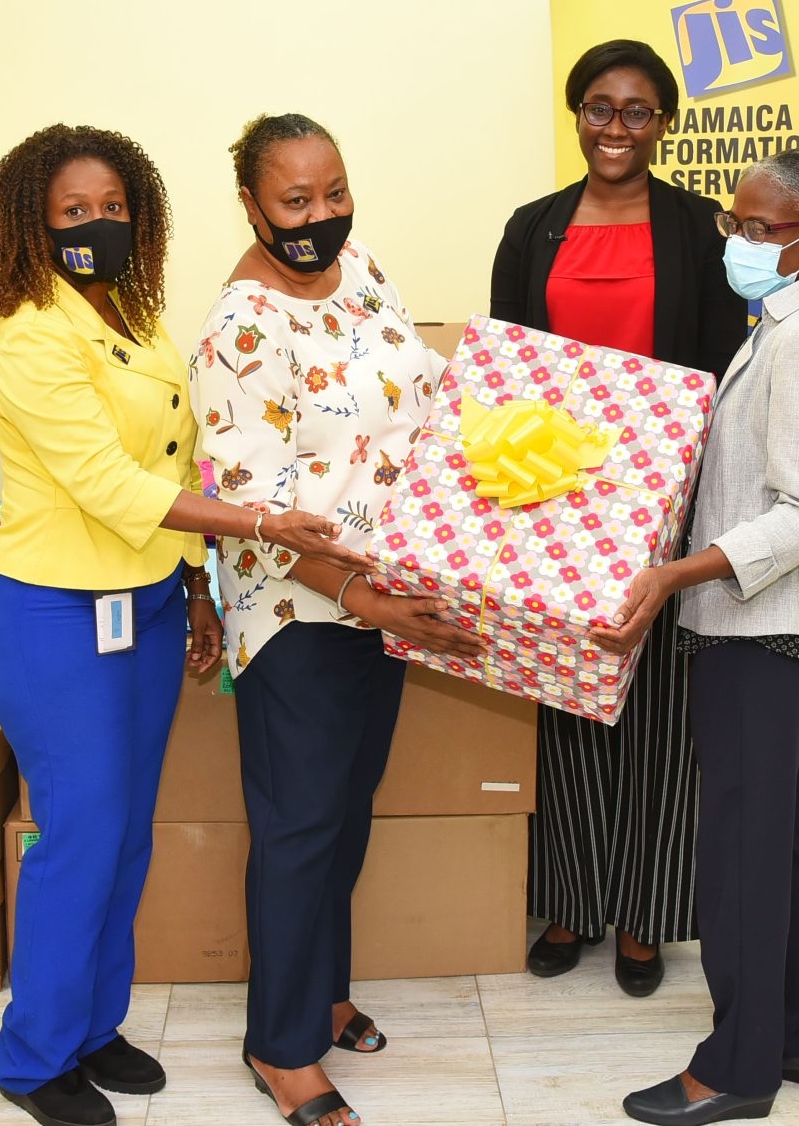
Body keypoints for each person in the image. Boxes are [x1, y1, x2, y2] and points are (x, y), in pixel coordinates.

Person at [0, 123, 368, 1126]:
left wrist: (193, 588)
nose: (98, 226)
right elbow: (110, 484)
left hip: (142, 607)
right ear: (32, 225)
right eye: (73, 213)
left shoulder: (132, 317)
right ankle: (33, 1058)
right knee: (78, 836)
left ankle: (92, 1027)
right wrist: (259, 523)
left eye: (113, 209)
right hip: (53, 615)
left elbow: (176, 458)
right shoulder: (30, 335)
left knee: (122, 838)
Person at [588, 148, 799, 1124]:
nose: (739, 242)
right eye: (735, 223)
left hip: (767, 629)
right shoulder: (796, 322)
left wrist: (677, 572)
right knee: (787, 835)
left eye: (760, 230)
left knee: (740, 850)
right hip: (777, 628)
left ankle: (735, 1065)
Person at [192, 112, 484, 1126]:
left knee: (344, 811)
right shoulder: (238, 329)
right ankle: (279, 1047)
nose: (320, 217)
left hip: (384, 593)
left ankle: (322, 991)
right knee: (298, 827)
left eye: (333, 193)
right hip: (299, 611)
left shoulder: (359, 265)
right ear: (251, 206)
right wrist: (358, 594)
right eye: (295, 202)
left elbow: (412, 400)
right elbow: (249, 503)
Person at [490, 39, 745, 997]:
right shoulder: (533, 227)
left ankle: (643, 915)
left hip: (665, 506)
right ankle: (568, 899)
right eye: (600, 107)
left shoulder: (699, 228)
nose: (616, 127)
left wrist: (664, 482)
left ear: (664, 123)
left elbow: (720, 372)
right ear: (577, 113)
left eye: (637, 111)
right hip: (550, 500)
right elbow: (507, 367)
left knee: (658, 712)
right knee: (562, 697)